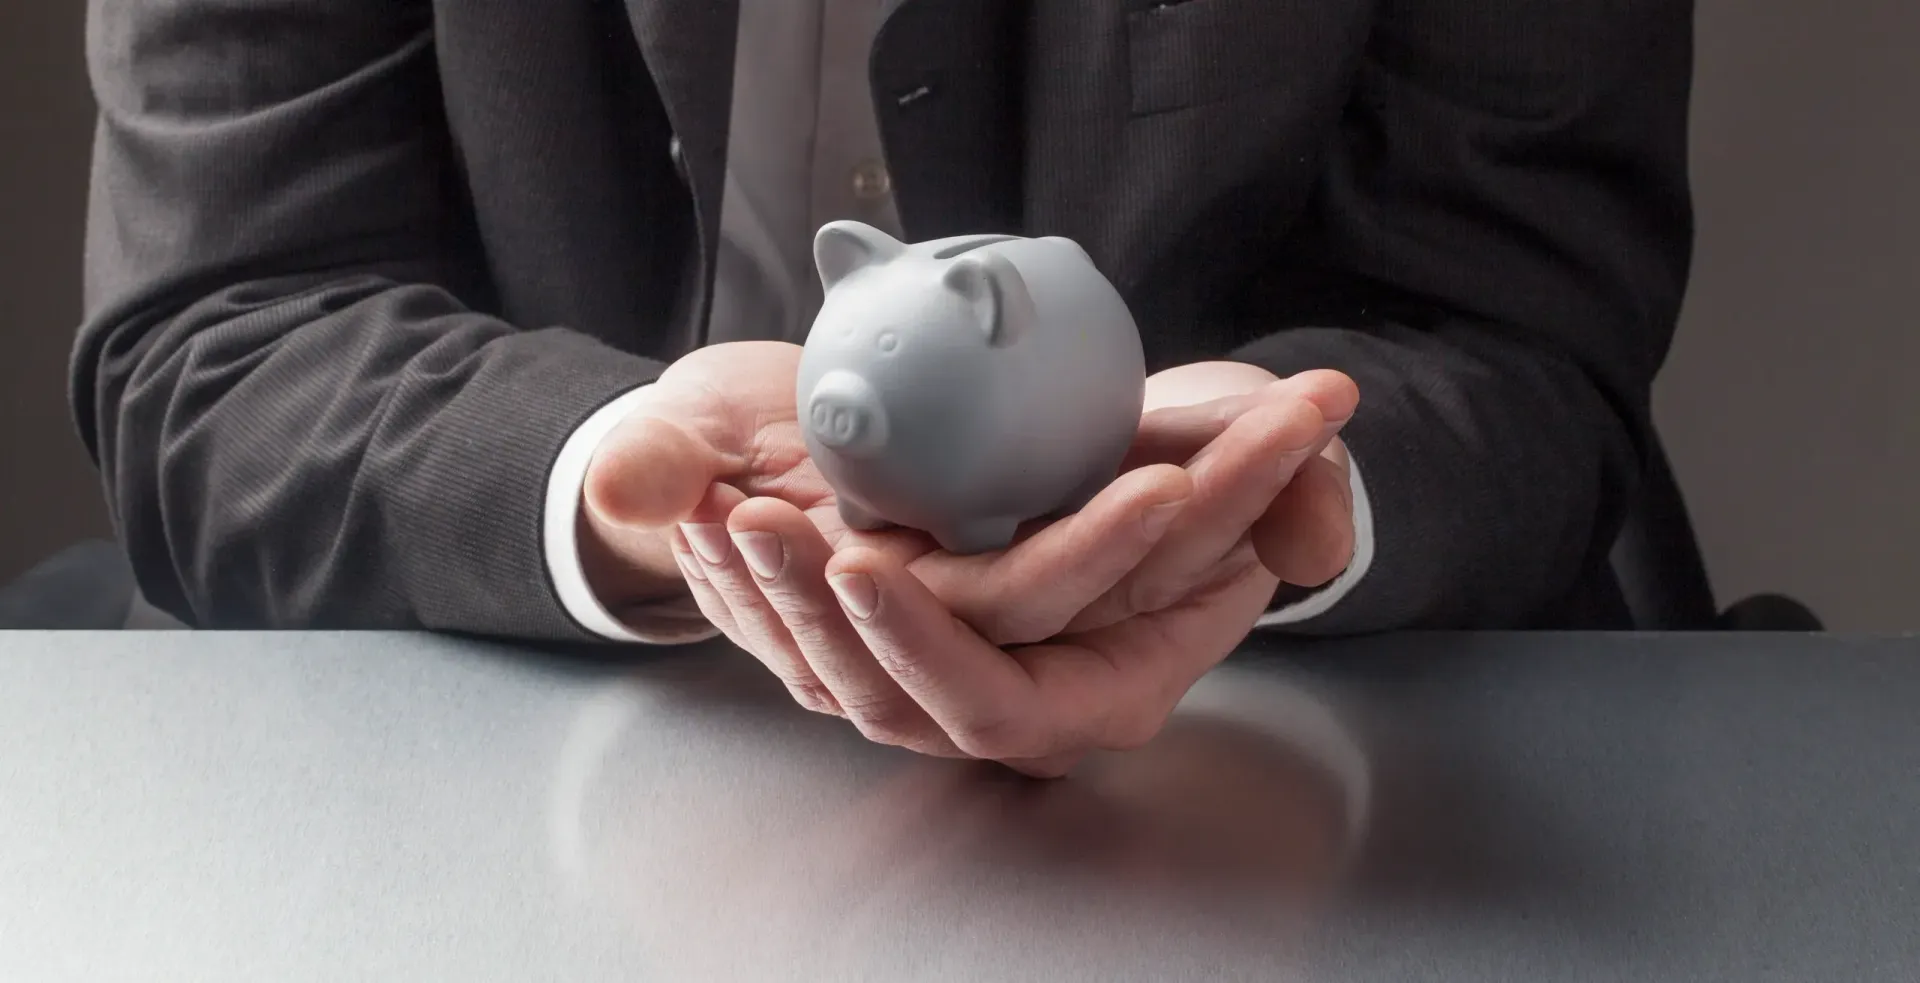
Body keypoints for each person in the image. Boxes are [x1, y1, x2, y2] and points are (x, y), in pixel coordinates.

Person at [73, 0, 1692, 773]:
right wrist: (604, 474)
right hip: (456, 758)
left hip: (1308, 765)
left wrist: (1269, 500)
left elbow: (1524, 329)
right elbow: (222, 338)